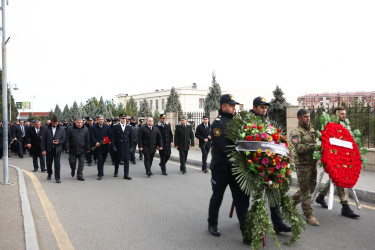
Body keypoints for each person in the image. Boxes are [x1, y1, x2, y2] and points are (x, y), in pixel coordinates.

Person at [207, 94, 251, 245]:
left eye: (235, 106)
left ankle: (246, 232)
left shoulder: (237, 122)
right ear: (223, 106)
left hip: (236, 169)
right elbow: (224, 147)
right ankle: (212, 223)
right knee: (217, 197)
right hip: (221, 168)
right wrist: (243, 154)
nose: (234, 108)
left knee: (241, 200)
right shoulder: (218, 124)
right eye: (231, 105)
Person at [250, 97, 292, 233]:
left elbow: (277, 137)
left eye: (265, 107)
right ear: (255, 107)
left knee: (274, 192)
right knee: (257, 196)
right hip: (255, 163)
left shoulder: (269, 121)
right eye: (261, 107)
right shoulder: (249, 121)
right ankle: (252, 222)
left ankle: (278, 223)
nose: (264, 109)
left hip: (271, 163)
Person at [315, 106, 360, 218]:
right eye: (341, 114)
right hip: (333, 158)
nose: (344, 116)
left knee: (334, 179)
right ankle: (345, 207)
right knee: (340, 178)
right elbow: (325, 142)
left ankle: (320, 196)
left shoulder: (346, 127)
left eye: (345, 114)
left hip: (343, 158)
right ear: (335, 115)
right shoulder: (328, 126)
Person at [290, 109, 319, 226]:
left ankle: (290, 203)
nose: (308, 119)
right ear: (299, 118)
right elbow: (299, 148)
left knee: (311, 188)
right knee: (306, 191)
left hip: (312, 164)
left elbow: (318, 142)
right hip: (302, 165)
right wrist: (313, 146)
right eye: (306, 117)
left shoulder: (312, 130)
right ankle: (308, 215)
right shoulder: (296, 132)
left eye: (309, 116)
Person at [41, 115, 66, 183]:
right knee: (49, 163)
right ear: (51, 122)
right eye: (53, 123)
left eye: (56, 123)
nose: (55, 124)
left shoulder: (62, 129)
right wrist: (43, 150)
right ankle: (49, 173)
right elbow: (43, 140)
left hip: (57, 150)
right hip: (49, 149)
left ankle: (57, 178)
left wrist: (58, 142)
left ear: (58, 122)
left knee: (57, 164)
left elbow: (63, 139)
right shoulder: (46, 129)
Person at [112, 114, 133, 179]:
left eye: (124, 118)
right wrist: (113, 146)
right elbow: (113, 137)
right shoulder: (115, 126)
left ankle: (126, 175)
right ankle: (116, 172)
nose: (123, 120)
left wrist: (132, 147)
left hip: (126, 146)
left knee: (126, 161)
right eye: (122, 118)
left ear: (126, 119)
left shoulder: (129, 127)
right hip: (118, 146)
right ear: (120, 119)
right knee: (117, 160)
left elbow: (131, 138)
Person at [90, 115, 111, 180]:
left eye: (102, 119)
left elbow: (110, 135)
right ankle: (100, 174)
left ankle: (101, 170)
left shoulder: (107, 127)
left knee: (103, 159)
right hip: (98, 147)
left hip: (105, 146)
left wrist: (106, 140)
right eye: (100, 119)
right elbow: (92, 137)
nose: (101, 120)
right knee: (100, 160)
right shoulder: (93, 127)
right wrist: (96, 142)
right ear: (97, 120)